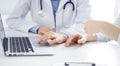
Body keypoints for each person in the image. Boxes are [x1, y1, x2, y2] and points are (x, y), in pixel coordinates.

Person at [6, 0, 91, 45]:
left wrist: (65, 34)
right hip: (42, 42)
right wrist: (37, 28)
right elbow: (12, 19)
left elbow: (86, 23)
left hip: (69, 42)